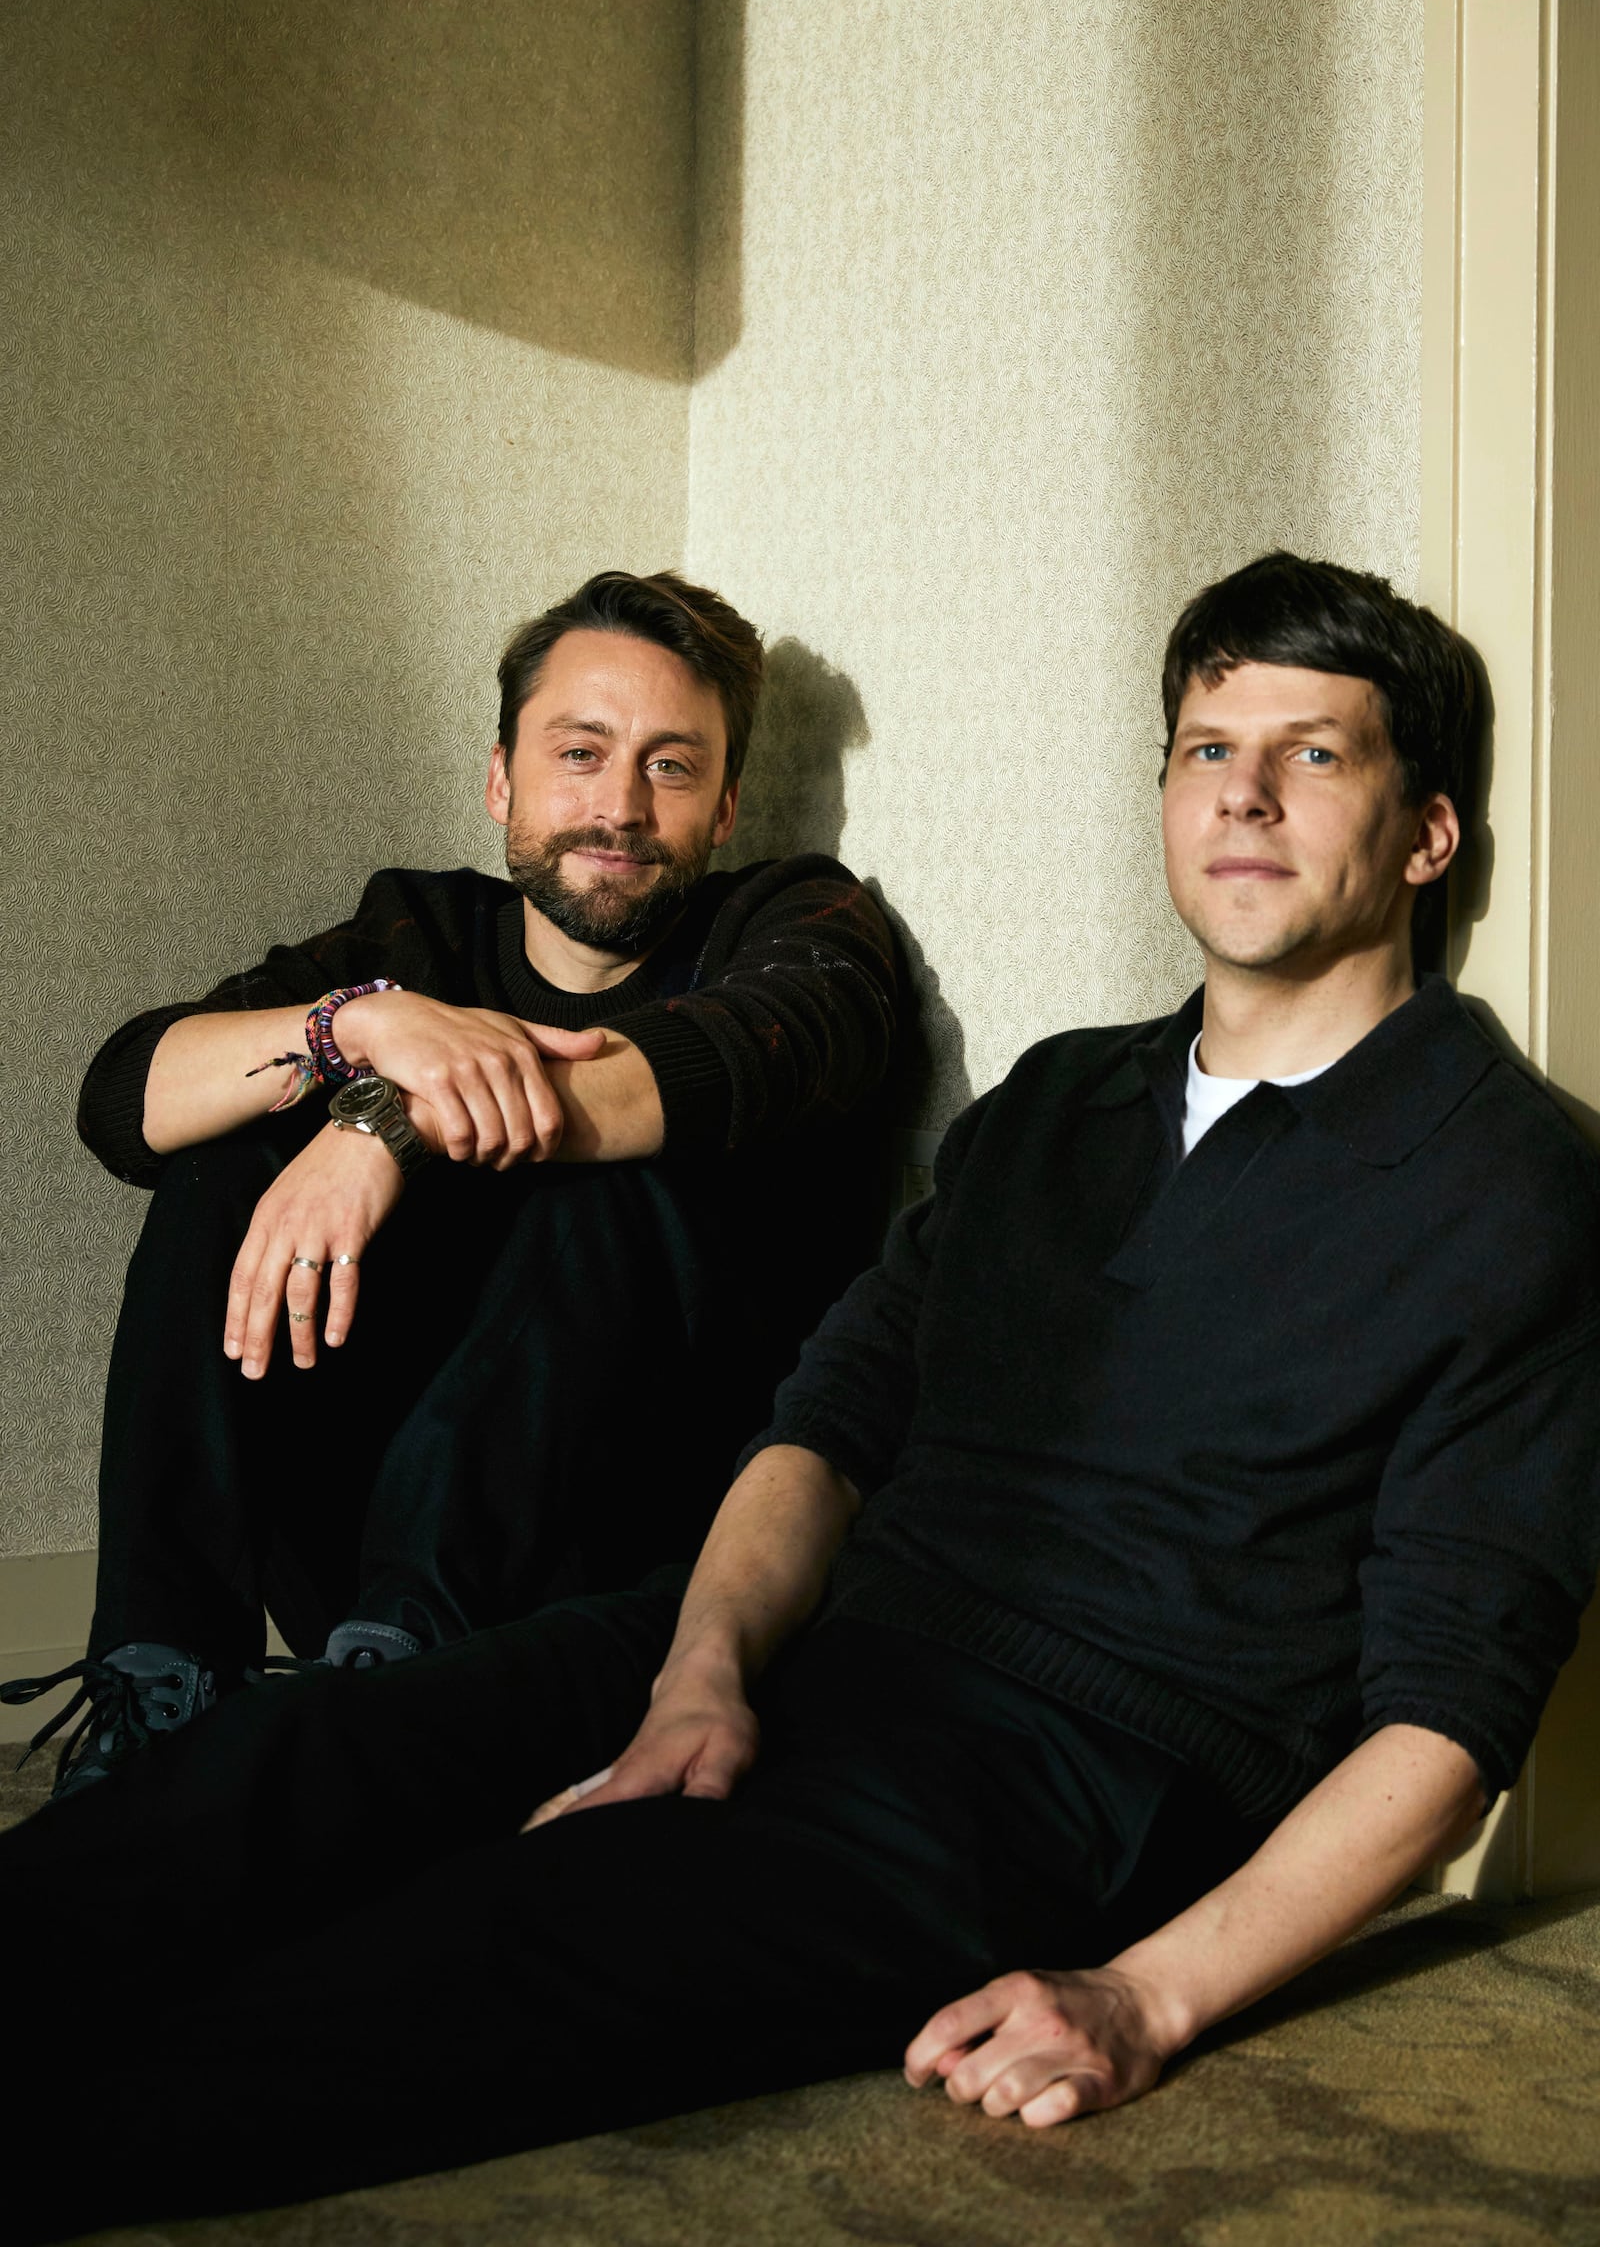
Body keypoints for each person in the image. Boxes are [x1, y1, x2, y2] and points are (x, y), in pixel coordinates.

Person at [6, 552, 1599, 2246]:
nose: (1248, 797)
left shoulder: (1509, 1187)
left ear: (1427, 833)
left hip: (1077, 1761)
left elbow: (1450, 1720)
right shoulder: (1064, 1097)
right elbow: (832, 1419)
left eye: (1315, 754)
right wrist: (702, 1674)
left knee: (437, 1972)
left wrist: (1144, 1999)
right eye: (1209, 750)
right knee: (294, 1769)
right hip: (810, 1631)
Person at [1, 569, 901, 1795]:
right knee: (226, 1162)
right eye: (579, 753)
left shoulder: (798, 921)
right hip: (366, 1547)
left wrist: (385, 1124)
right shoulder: (416, 938)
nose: (620, 806)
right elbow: (124, 1101)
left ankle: (401, 1721)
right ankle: (163, 1688)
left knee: (619, 1173)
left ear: (728, 803)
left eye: (671, 766)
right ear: (500, 781)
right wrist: (347, 1027)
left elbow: (719, 1061)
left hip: (637, 1541)